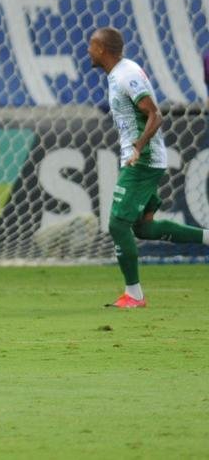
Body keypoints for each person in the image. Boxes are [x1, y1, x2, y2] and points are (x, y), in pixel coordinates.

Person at [88, 27, 209, 308]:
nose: (88, 50)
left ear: (102, 49)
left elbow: (155, 114)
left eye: (92, 45)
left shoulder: (126, 75)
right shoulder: (119, 73)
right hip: (138, 158)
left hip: (143, 160)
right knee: (143, 228)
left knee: (118, 224)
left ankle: (134, 295)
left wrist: (139, 146)